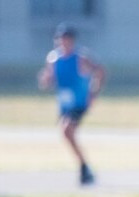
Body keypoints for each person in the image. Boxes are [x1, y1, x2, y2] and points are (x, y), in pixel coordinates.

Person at [37, 22, 106, 186]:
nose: (64, 42)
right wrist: (45, 80)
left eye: (67, 39)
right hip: (65, 105)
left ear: (72, 40)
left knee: (67, 130)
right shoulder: (53, 59)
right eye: (61, 39)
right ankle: (84, 167)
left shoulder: (81, 58)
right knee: (67, 134)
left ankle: (84, 168)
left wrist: (93, 94)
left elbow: (100, 71)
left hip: (79, 103)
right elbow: (48, 81)